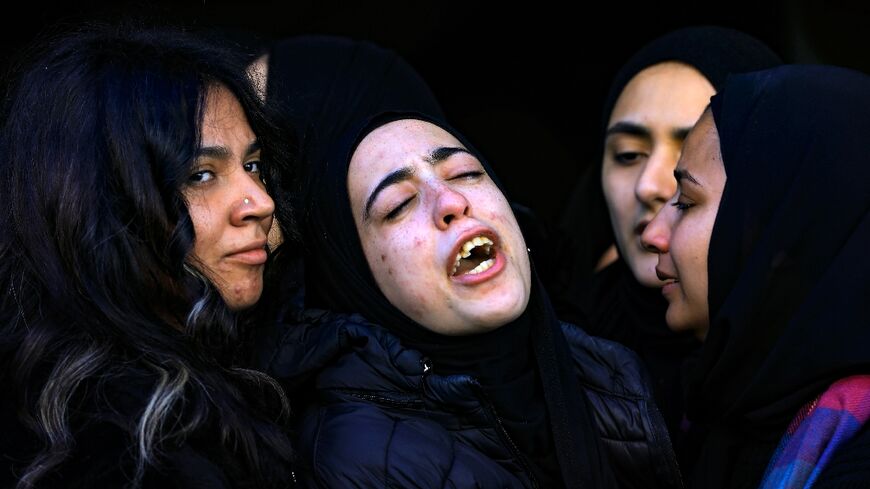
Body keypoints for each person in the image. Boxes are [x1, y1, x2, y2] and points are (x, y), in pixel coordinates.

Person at [254, 35, 681, 489]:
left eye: (465, 173)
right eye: (398, 205)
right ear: (357, 280)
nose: (451, 201)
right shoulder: (361, 460)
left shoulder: (609, 374)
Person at [0, 24, 296, 488]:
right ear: (102, 202)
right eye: (200, 174)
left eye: (252, 165)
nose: (260, 202)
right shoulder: (121, 450)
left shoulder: (202, 383)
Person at [641, 65, 870, 488]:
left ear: (786, 231)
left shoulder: (855, 460)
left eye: (687, 202)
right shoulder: (715, 414)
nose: (653, 232)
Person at [553, 26, 782, 438]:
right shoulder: (554, 351)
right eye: (627, 155)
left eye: (689, 152)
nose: (650, 185)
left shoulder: (800, 377)